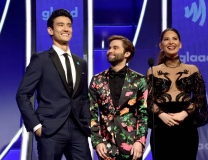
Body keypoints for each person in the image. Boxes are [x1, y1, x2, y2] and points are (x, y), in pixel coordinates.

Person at [16, 9, 91, 160]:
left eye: (69, 25)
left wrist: (87, 123)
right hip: (50, 129)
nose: (66, 29)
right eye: (61, 25)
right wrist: (36, 126)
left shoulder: (81, 63)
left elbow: (83, 97)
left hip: (77, 129)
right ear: (50, 30)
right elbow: (23, 94)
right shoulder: (41, 60)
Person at [147, 28, 208, 160]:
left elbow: (200, 98)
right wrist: (161, 114)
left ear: (180, 44)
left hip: (186, 125)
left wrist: (183, 114)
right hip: (161, 125)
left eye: (174, 39)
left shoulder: (192, 69)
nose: (171, 42)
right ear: (161, 45)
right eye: (166, 39)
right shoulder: (153, 71)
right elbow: (148, 100)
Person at [89, 35, 148, 160]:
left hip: (132, 146)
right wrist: (97, 141)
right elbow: (91, 113)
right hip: (106, 147)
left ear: (127, 53)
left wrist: (140, 141)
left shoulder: (139, 80)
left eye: (115, 48)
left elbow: (144, 114)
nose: (110, 51)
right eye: (109, 48)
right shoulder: (97, 80)